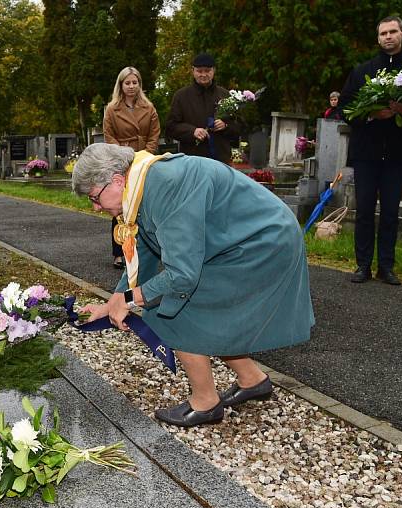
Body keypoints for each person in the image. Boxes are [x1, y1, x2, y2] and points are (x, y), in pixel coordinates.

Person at [72, 144, 314, 427]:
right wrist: (115, 299)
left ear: (116, 179)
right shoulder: (141, 184)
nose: (96, 208)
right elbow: (146, 251)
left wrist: (129, 299)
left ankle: (206, 403)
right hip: (244, 241)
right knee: (196, 309)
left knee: (174, 309)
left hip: (262, 244)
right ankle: (252, 380)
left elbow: (181, 277)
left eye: (95, 198)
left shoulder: (165, 186)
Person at [339, 15, 402, 286]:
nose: (387, 37)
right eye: (383, 34)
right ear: (378, 38)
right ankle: (362, 265)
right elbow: (345, 107)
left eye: (393, 32)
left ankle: (386, 268)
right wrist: (370, 115)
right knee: (365, 211)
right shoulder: (361, 71)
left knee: (391, 212)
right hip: (366, 153)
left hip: (397, 154)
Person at [103, 66, 161, 269]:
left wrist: (147, 154)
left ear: (139, 84)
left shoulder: (149, 107)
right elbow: (108, 135)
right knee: (121, 205)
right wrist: (122, 156)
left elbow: (155, 134)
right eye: (127, 83)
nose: (131, 86)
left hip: (144, 160)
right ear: (121, 85)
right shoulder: (112, 109)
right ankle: (119, 252)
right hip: (122, 161)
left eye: (134, 82)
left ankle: (145, 251)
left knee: (144, 205)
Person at [165, 53, 240, 163]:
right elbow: (171, 127)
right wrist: (192, 131)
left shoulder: (225, 95)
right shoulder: (181, 96)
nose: (203, 74)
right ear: (193, 71)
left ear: (214, 70)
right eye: (199, 71)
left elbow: (239, 126)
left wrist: (225, 126)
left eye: (207, 71)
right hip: (192, 160)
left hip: (221, 159)